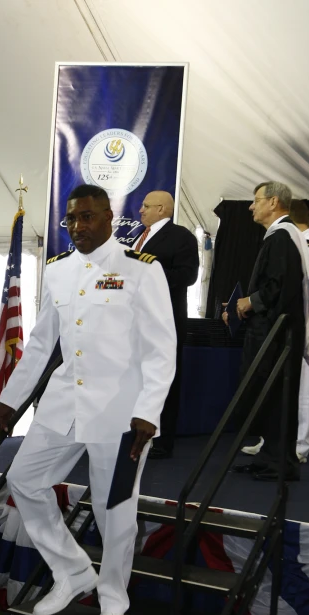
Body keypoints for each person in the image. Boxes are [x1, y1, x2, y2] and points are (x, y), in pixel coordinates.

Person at [0, 184, 176, 615]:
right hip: (63, 405)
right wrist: (9, 401)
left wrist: (148, 410)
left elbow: (161, 348)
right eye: (72, 219)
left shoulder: (140, 270)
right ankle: (73, 571)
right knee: (24, 480)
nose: (79, 227)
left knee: (116, 510)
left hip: (121, 415)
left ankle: (113, 601)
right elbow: (40, 344)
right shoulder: (58, 270)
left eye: (89, 217)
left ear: (110, 218)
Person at [225, 181, 306, 481]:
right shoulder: (282, 236)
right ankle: (271, 457)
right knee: (270, 397)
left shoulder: (283, 237)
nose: (250, 206)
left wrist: (250, 302)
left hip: (276, 336)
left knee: (275, 396)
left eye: (255, 200)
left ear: (273, 202)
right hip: (273, 331)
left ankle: (278, 463)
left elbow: (278, 287)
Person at [240, 201, 309, 463]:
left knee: (304, 391)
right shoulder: (297, 241)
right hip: (291, 324)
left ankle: (300, 444)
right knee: (280, 390)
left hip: (306, 324)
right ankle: (273, 441)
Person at [133, 191, 199, 459]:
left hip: (164, 323)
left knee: (164, 382)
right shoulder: (140, 236)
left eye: (146, 206)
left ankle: (162, 440)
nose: (140, 210)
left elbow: (187, 275)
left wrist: (148, 275)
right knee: (136, 381)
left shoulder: (182, 237)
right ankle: (133, 431)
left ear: (161, 209)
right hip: (134, 324)